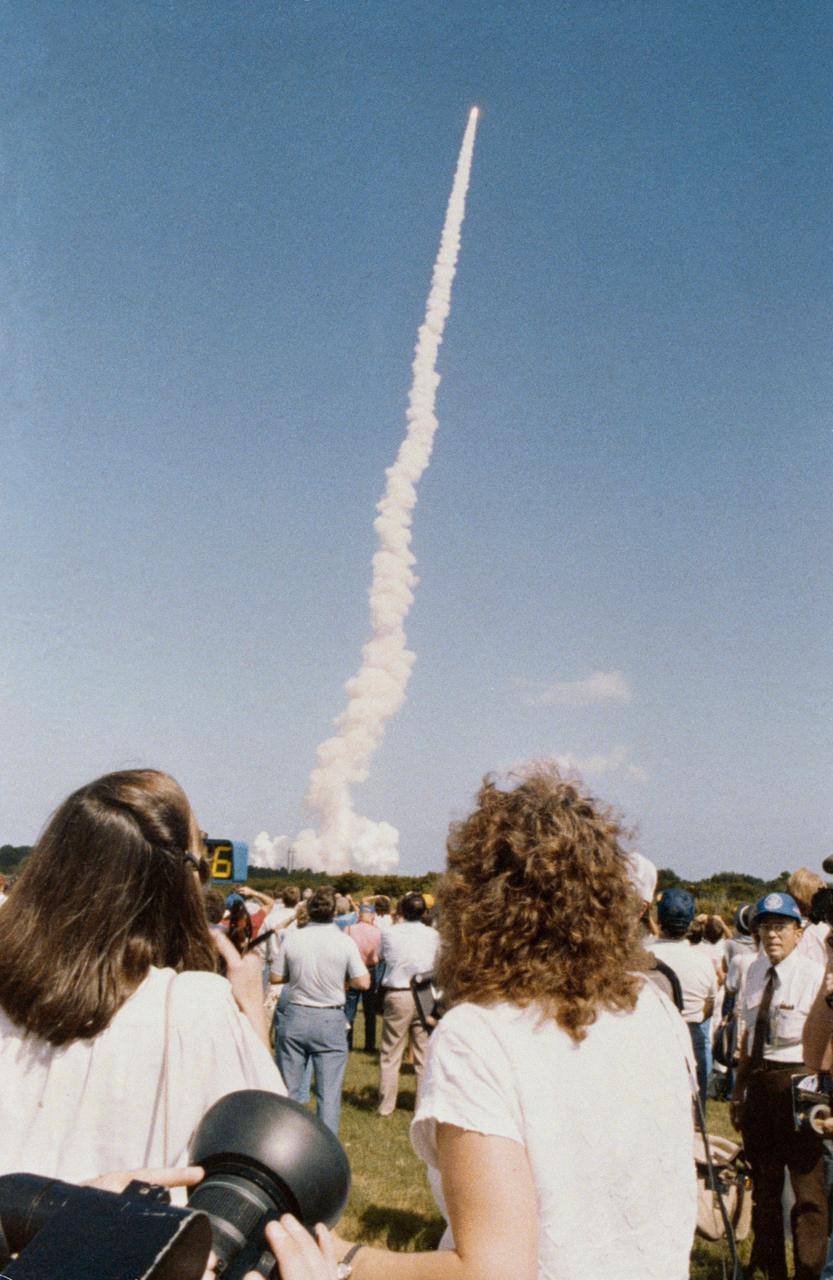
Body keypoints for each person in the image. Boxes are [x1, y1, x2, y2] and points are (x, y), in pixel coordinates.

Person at [328, 768, 696, 1279]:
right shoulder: (656, 1011)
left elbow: (493, 1270)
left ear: (479, 902)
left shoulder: (477, 1036)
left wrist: (347, 1259)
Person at [0, 769, 286, 1184]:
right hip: (127, 1245)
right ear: (178, 878)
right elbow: (270, 1155)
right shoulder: (193, 1004)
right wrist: (252, 1017)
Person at [730, 891, 826, 1280]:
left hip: (800, 1081)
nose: (772, 936)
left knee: (808, 1192)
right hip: (760, 1083)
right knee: (764, 1190)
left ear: (799, 933)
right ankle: (771, 1270)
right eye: (765, 927)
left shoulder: (814, 976)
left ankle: (808, 1272)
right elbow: (747, 1037)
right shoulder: (753, 971)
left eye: (781, 927)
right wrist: (738, 1092)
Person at [274, 885, 369, 1133]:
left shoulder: (292, 938)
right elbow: (364, 981)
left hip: (296, 1013)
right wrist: (344, 980)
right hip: (330, 1016)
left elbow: (275, 977)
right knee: (329, 1094)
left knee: (289, 1091)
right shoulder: (344, 942)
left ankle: (286, 1142)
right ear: (334, 913)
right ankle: (327, 1152)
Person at [645, 886, 718, 1106]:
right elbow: (709, 1006)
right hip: (692, 1032)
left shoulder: (644, 955)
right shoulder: (703, 961)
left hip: (654, 1035)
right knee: (694, 1111)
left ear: (660, 918)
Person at [377, 892, 439, 1116]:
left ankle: (385, 1106)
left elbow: (381, 958)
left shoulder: (389, 933)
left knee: (390, 1052)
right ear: (424, 912)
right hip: (424, 992)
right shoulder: (433, 935)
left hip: (398, 990)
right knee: (424, 1054)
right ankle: (422, 1106)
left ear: (401, 910)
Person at [345, 902, 382, 1051]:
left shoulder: (348, 929)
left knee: (349, 1009)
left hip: (352, 970)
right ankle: (370, 1045)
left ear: (359, 915)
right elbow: (381, 955)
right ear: (372, 915)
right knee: (370, 1011)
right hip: (370, 970)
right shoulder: (378, 932)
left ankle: (347, 1043)